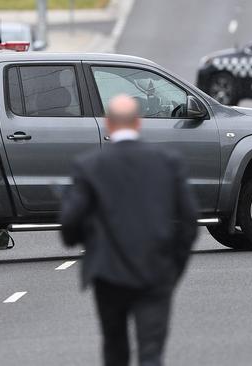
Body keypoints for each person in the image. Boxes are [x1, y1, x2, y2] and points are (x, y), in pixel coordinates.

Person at [60, 94, 198, 366]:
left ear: (108, 123)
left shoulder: (89, 166)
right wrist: (174, 264)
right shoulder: (167, 162)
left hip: (108, 273)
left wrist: (85, 242)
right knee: (151, 351)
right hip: (155, 270)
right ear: (138, 123)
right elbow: (189, 220)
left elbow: (69, 224)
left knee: (115, 348)